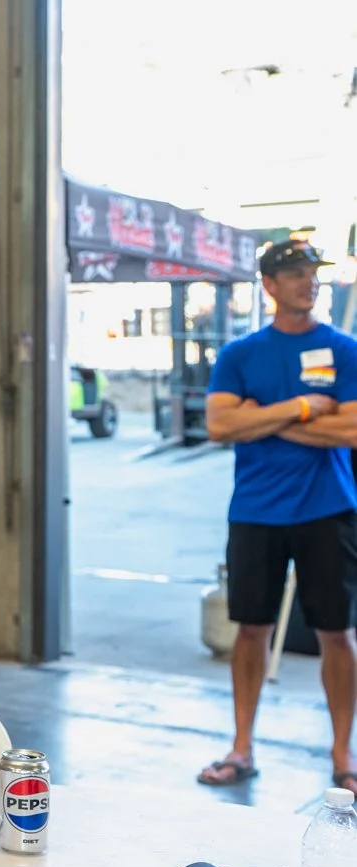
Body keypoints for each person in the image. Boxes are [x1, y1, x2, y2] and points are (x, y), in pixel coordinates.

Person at [200, 238, 357, 791]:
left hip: (327, 509)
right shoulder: (240, 355)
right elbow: (219, 425)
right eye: (294, 274)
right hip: (256, 511)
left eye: (312, 272)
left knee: (337, 633)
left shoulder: (343, 349)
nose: (307, 282)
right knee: (252, 629)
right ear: (269, 284)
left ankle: (343, 757)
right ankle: (241, 747)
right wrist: (300, 408)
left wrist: (263, 418)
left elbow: (354, 429)